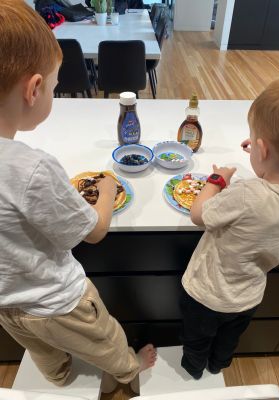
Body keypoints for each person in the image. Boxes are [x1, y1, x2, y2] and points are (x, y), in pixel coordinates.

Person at [0, 0, 156, 392]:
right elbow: (94, 230)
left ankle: (57, 376)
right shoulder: (31, 167)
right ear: (34, 89)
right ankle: (126, 369)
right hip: (58, 302)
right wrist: (104, 189)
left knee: (41, 350)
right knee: (107, 341)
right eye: (54, 85)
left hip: (7, 305)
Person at [180, 76, 279, 379]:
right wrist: (266, 159)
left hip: (207, 295)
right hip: (248, 298)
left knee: (197, 340)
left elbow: (199, 214)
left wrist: (217, 180)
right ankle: (217, 366)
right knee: (227, 342)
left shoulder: (247, 195)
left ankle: (194, 371)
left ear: (264, 149)